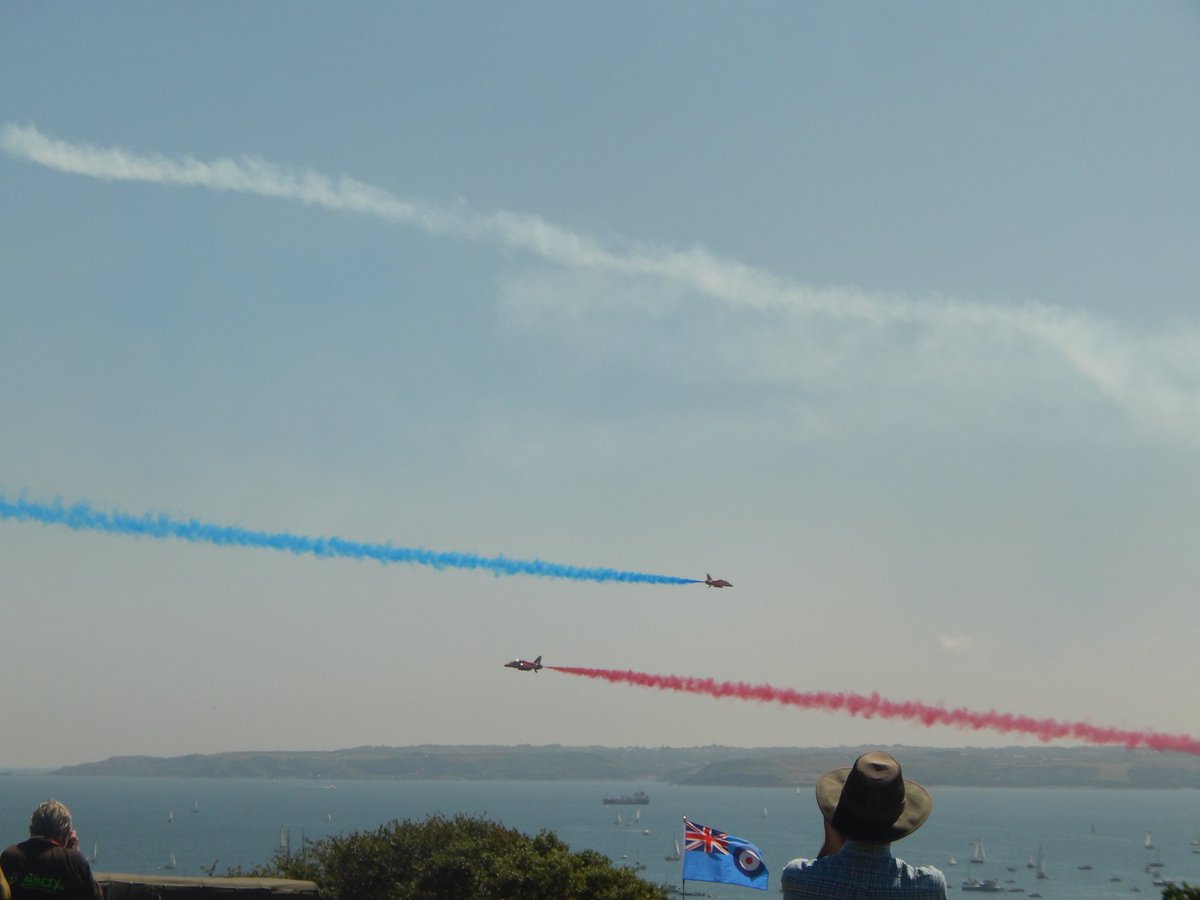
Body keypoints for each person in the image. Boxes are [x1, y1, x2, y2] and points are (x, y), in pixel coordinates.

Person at [781, 750, 947, 899]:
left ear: (834, 819)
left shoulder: (797, 878)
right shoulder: (929, 888)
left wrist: (831, 842)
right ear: (898, 819)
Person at [1, 800, 103, 900]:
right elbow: (95, 896)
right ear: (66, 833)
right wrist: (72, 852)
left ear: (31, 828)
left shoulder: (9, 856)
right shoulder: (73, 861)